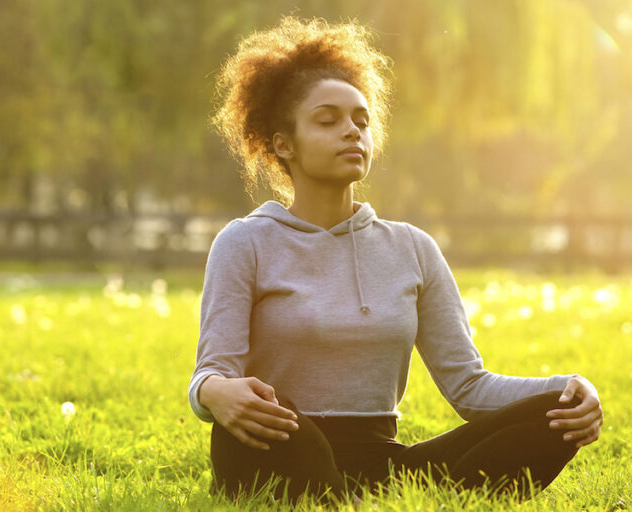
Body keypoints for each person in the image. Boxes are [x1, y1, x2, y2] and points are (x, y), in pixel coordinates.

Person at [189, 16, 603, 504]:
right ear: (284, 144)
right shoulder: (245, 242)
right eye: (328, 120)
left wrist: (571, 388)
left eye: (361, 121)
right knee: (289, 434)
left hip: (381, 462)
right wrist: (216, 393)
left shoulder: (412, 248)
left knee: (556, 414)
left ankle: (349, 499)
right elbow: (211, 373)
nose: (351, 132)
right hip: (278, 443)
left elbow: (469, 386)